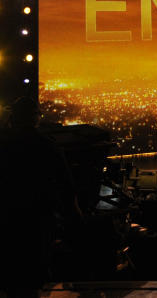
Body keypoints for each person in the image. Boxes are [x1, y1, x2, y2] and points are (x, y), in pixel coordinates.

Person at [0, 97, 82, 296]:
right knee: (32, 277)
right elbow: (66, 186)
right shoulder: (47, 145)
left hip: (6, 217)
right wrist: (75, 217)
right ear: (36, 118)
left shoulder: (4, 144)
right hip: (37, 220)